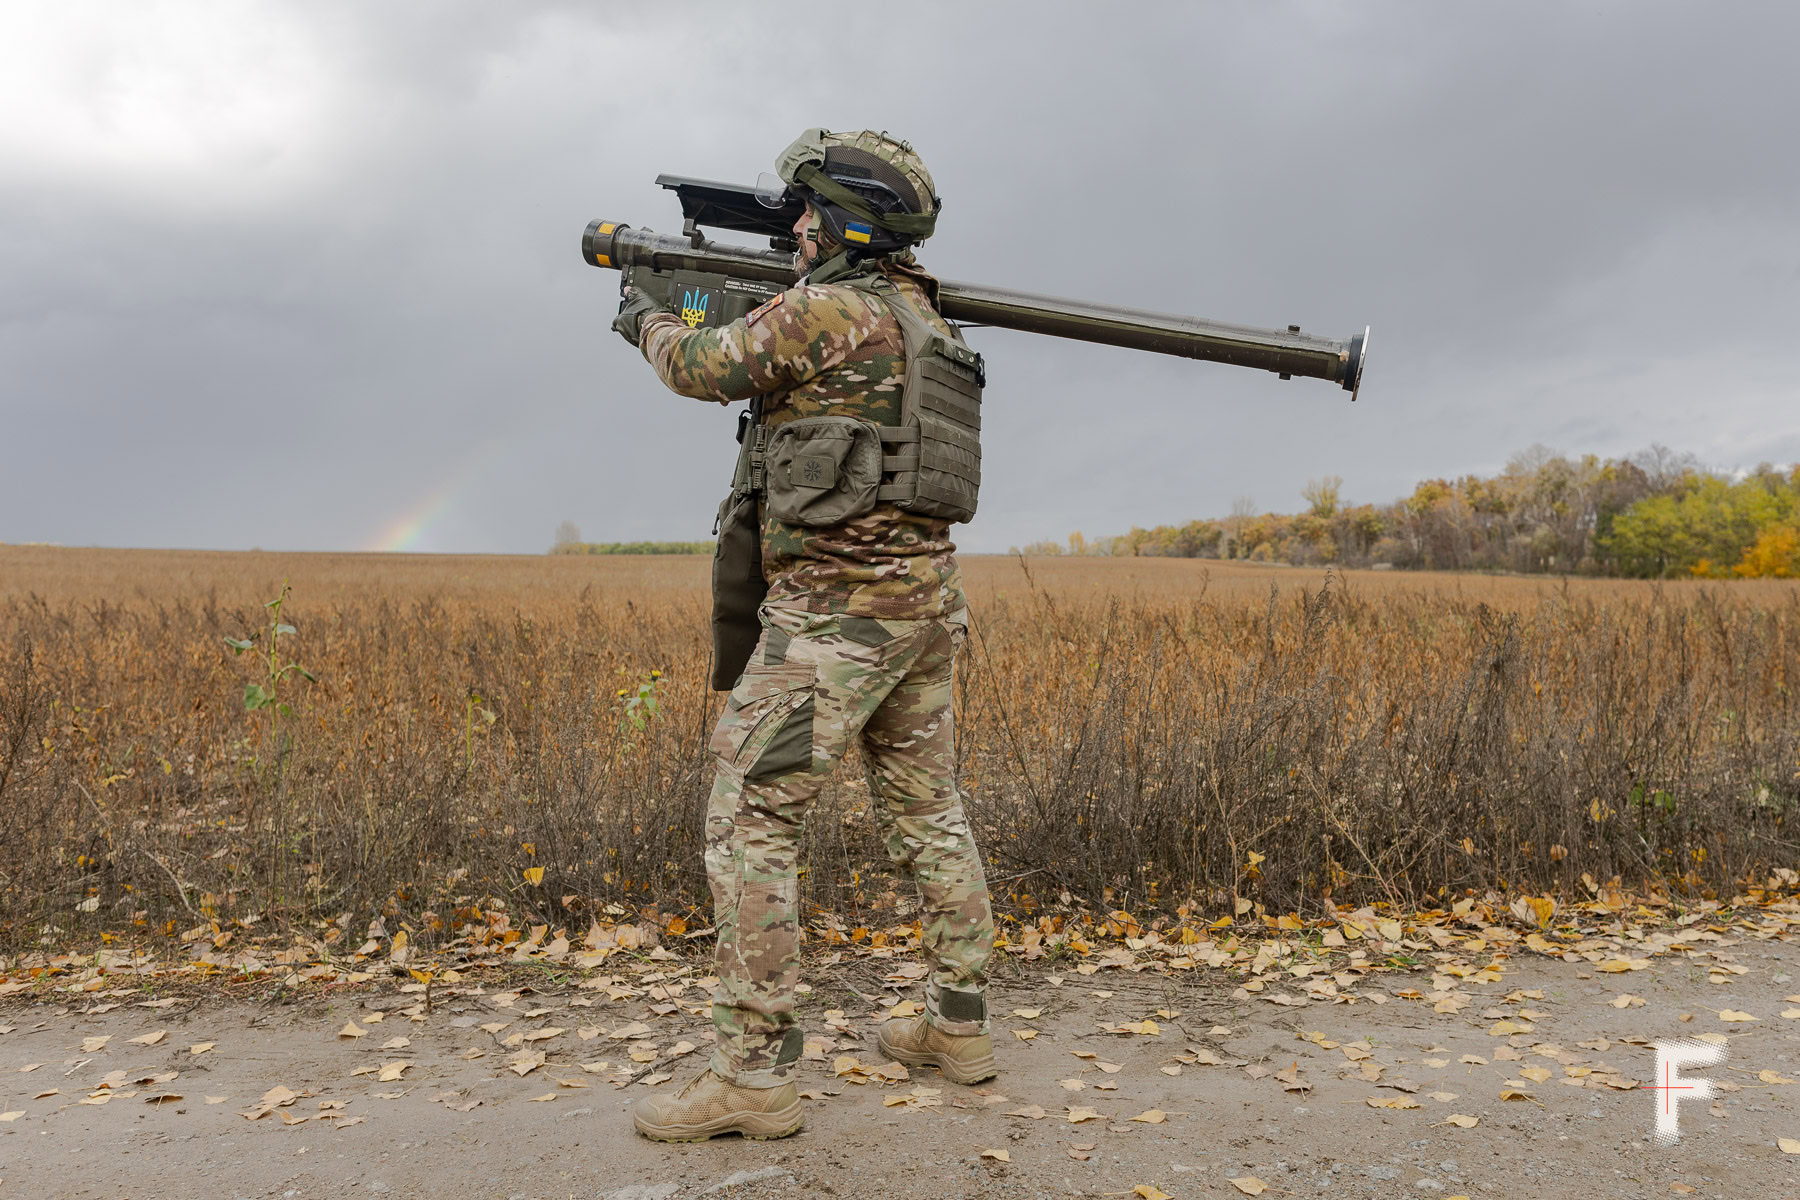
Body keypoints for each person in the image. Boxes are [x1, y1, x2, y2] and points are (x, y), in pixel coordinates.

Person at [608, 129, 996, 1142]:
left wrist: (643, 313)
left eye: (809, 211)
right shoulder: (920, 315)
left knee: (749, 819)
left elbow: (703, 364)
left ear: (848, 218)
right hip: (923, 610)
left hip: (831, 626)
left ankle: (751, 1074)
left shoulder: (829, 309)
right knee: (928, 815)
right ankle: (959, 1026)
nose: (798, 228)